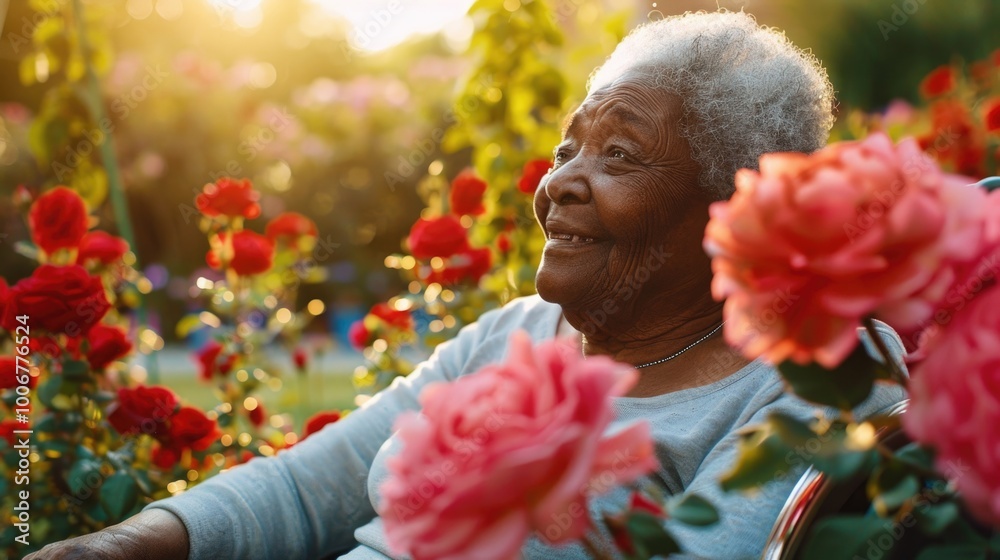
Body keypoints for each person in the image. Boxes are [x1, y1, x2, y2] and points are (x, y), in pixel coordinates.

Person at [28, 11, 905, 560]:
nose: (561, 179)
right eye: (569, 148)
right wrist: (120, 544)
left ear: (732, 206)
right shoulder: (514, 335)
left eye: (620, 154)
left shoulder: (809, 387)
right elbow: (306, 492)